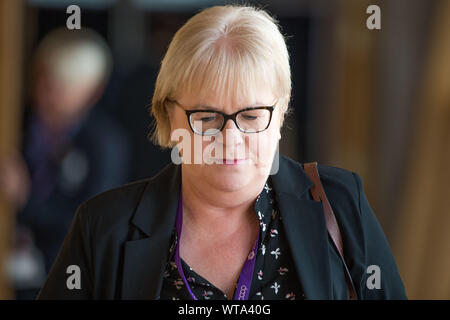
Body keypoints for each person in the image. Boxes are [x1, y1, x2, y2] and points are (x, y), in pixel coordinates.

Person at [36, 5, 406, 300]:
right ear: (170, 115)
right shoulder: (103, 228)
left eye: (251, 115)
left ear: (280, 114)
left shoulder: (339, 204)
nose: (230, 137)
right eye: (208, 117)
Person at [0, 27, 130, 299]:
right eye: (42, 80)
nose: (45, 94)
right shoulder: (15, 121)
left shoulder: (105, 144)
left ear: (92, 92)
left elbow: (89, 225)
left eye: (60, 87)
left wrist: (26, 199)